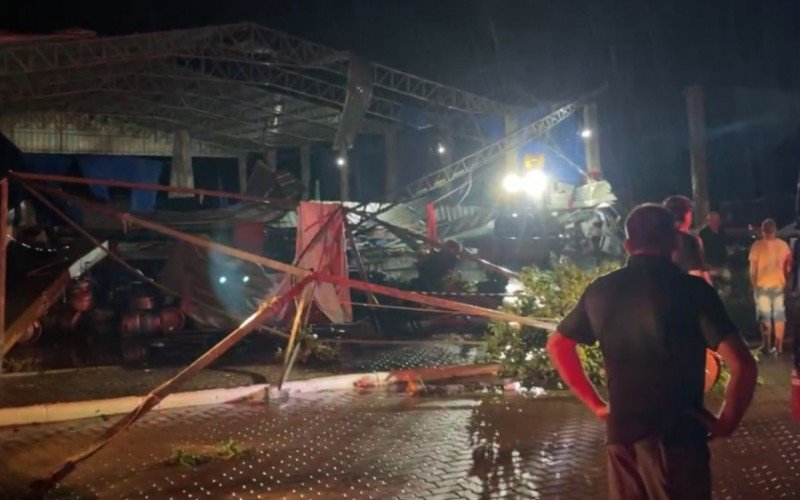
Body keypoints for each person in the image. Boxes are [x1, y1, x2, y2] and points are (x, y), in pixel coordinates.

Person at [547, 204, 757, 500]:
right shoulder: (693, 291)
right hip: (677, 438)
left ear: (628, 245)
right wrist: (725, 423)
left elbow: (558, 345)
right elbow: (744, 366)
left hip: (622, 439)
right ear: (674, 241)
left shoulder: (601, 290)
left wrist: (596, 404)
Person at [749, 218, 792, 355]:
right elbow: (788, 267)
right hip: (779, 285)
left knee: (765, 317)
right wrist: (786, 281)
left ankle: (766, 346)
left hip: (762, 286)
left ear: (763, 230)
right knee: (779, 316)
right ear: (775, 230)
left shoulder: (757, 246)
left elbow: (752, 270)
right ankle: (778, 347)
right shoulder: (784, 246)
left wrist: (754, 285)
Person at [663, 195, 712, 284]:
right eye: (690, 213)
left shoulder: (656, 238)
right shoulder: (689, 239)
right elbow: (696, 273)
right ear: (685, 214)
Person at [699, 211, 731, 294]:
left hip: (723, 264)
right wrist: (704, 264)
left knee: (726, 288)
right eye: (714, 219)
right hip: (710, 265)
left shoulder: (721, 231)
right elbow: (700, 249)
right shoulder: (703, 233)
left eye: (718, 219)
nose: (717, 221)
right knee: (710, 289)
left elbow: (724, 246)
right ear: (709, 220)